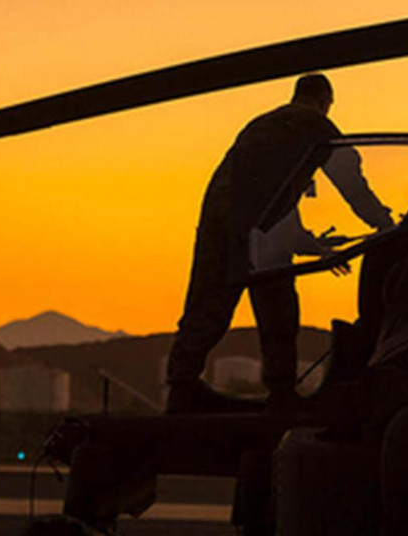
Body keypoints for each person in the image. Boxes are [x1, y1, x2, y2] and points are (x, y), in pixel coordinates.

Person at [165, 73, 394, 414]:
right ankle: (281, 390)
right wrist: (385, 224)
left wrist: (307, 242)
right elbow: (351, 185)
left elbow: (267, 193)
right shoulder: (317, 127)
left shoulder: (263, 125)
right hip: (258, 225)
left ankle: (181, 385)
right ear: (325, 101)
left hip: (217, 219)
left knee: (207, 304)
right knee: (278, 308)